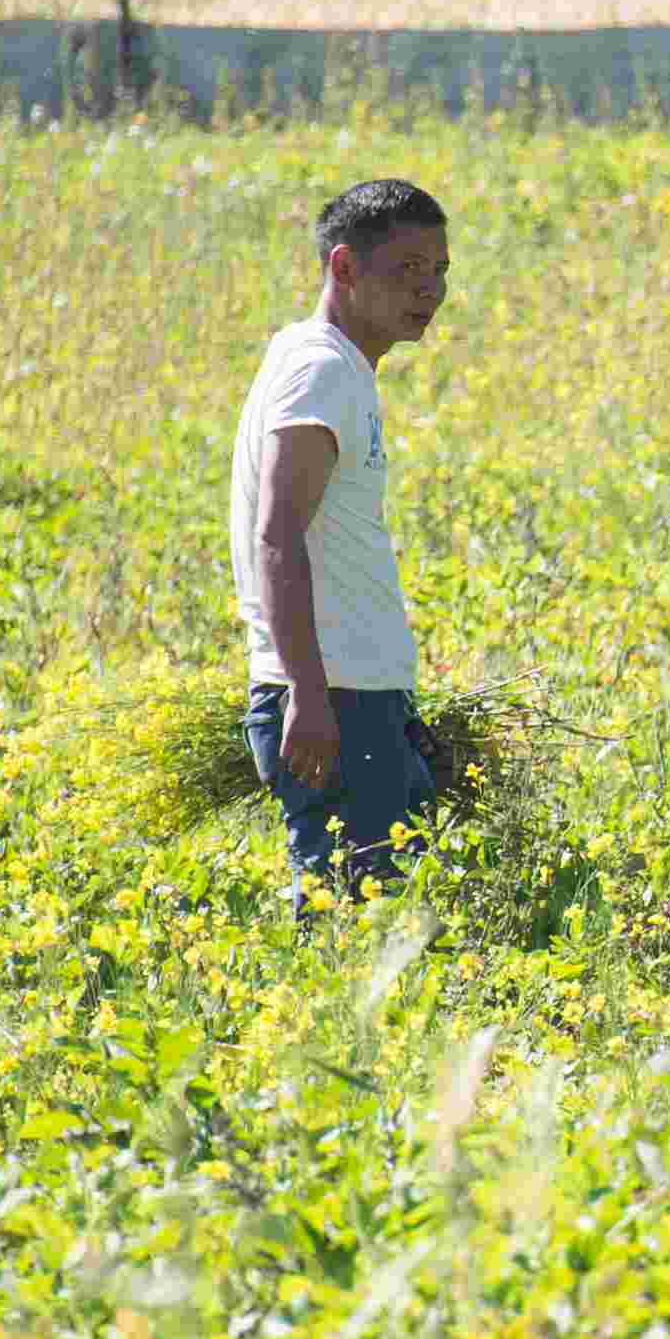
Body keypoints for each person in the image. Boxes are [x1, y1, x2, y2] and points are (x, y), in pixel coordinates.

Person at [229, 175, 453, 893]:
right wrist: (308, 695)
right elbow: (277, 536)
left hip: (358, 695)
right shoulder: (321, 372)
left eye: (440, 271)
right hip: (338, 702)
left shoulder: (324, 362)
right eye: (409, 269)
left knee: (377, 911)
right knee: (351, 916)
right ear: (346, 268)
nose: (429, 290)